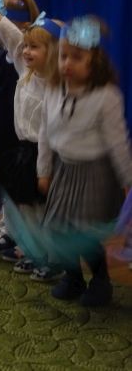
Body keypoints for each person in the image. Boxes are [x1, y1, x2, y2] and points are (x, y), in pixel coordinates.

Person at [38, 16, 132, 306]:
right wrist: (43, 170)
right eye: (64, 56)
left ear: (95, 62)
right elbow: (45, 132)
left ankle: (101, 281)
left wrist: (128, 180)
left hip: (95, 174)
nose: (67, 63)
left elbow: (118, 142)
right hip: (64, 170)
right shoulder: (53, 89)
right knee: (57, 229)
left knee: (83, 233)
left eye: (77, 58)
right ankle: (73, 277)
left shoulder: (106, 96)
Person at [0, 0, 64, 280]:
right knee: (22, 206)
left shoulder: (53, 86)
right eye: (26, 46)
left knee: (41, 211)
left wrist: (44, 171)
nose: (26, 51)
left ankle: (52, 259)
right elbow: (14, 37)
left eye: (35, 47)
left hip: (43, 154)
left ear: (53, 53)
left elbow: (47, 136)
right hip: (22, 150)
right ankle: (32, 251)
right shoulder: (25, 72)